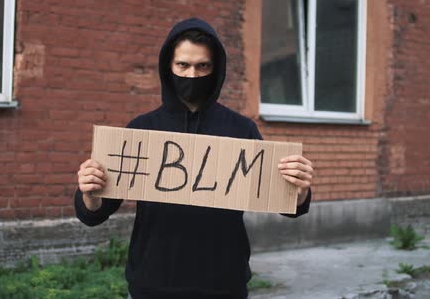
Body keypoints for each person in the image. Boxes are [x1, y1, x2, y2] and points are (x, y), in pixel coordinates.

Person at [75, 18, 314, 299]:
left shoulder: (241, 129)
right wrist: (90, 194)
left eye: (203, 66)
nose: (192, 75)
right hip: (152, 284)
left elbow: (285, 204)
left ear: (215, 69)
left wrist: (299, 190)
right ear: (169, 67)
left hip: (223, 285)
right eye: (183, 66)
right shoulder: (141, 129)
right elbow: (97, 213)